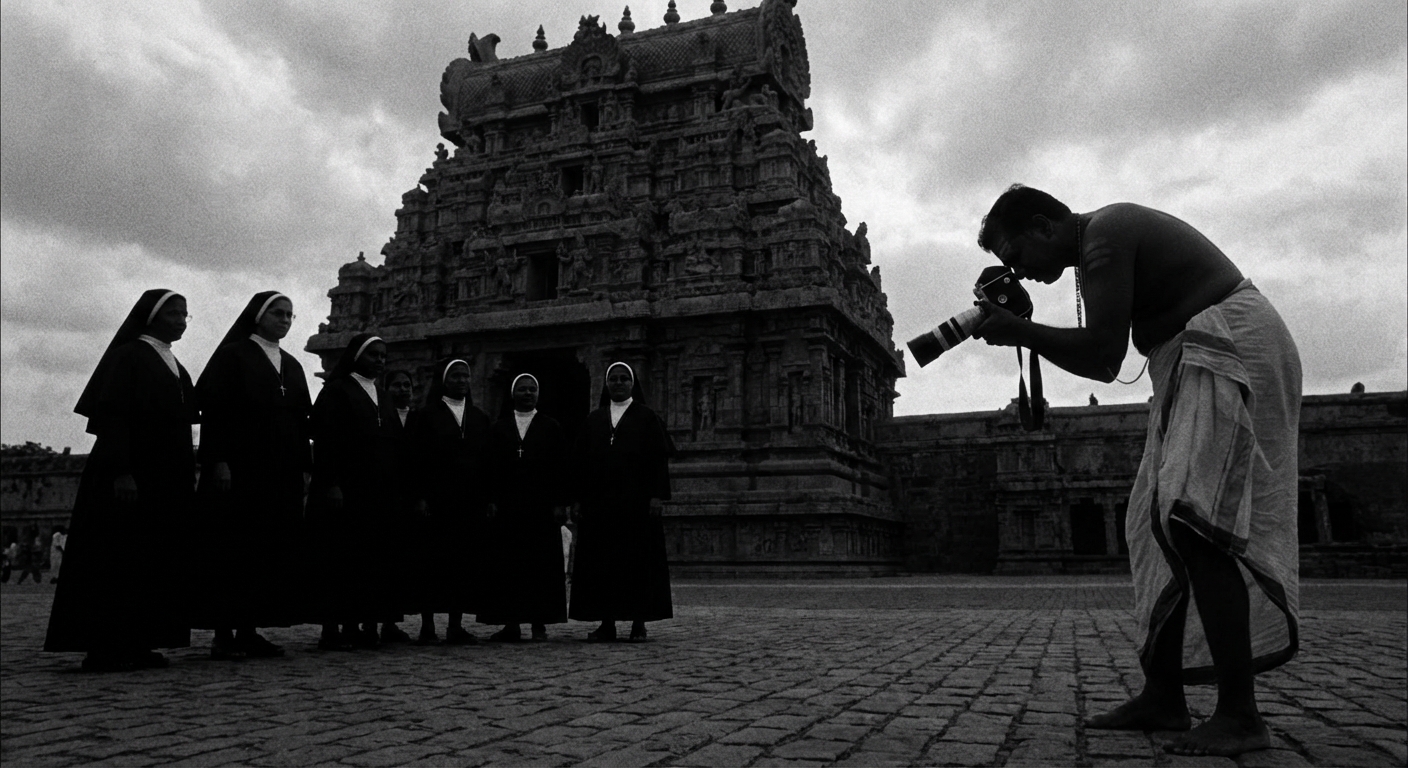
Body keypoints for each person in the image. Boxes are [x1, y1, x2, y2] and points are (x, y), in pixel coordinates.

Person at [970, 185, 1301, 757]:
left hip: (1227, 340)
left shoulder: (1107, 235)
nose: (1020, 272)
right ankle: (1164, 695)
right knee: (1152, 524)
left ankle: (1241, 714)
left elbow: (1103, 356)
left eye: (1017, 255)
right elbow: (1106, 355)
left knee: (1195, 518)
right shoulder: (1092, 250)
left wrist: (1019, 331)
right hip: (1184, 355)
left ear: (1046, 225)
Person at [45, 289, 198, 671]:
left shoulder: (176, 367)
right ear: (151, 317)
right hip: (129, 473)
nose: (181, 320)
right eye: (174, 313)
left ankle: (137, 638)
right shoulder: (128, 357)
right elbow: (112, 416)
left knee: (148, 559)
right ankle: (104, 644)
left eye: (185, 314)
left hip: (163, 478)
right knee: (115, 557)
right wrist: (121, 470)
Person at [192, 292, 313, 660]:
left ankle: (249, 628)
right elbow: (216, 412)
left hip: (279, 472)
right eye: (278, 314)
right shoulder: (233, 356)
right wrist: (219, 461)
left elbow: (301, 421)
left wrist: (306, 467)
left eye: (290, 316)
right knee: (232, 548)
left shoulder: (291, 365)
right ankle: (223, 632)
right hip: (240, 470)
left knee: (265, 550)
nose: (285, 321)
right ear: (258, 316)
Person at [568, 362, 675, 642]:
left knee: (638, 562)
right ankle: (607, 621)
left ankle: (638, 621)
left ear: (632, 383)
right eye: (613, 379)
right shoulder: (594, 419)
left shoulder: (647, 417)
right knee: (603, 564)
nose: (618, 383)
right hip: (600, 506)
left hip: (636, 505)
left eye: (623, 378)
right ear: (606, 385)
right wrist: (577, 500)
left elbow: (658, 460)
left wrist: (656, 496)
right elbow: (580, 464)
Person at [308, 334, 399, 651]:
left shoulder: (384, 397)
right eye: (373, 354)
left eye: (383, 355)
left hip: (376, 493)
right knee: (339, 559)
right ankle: (332, 627)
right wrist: (331, 482)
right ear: (356, 356)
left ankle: (359, 623)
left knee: (368, 560)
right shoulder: (336, 391)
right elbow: (325, 439)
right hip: (345, 490)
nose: (379, 360)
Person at [405, 358, 491, 645]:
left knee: (462, 564)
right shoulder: (426, 415)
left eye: (466, 375)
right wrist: (419, 496)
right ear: (443, 379)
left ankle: (456, 625)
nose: (462, 380)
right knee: (432, 563)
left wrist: (488, 498)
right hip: (436, 502)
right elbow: (415, 460)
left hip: (468, 503)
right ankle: (427, 626)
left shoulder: (479, 417)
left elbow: (487, 462)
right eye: (455, 376)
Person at [480, 374, 571, 641]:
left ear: (538, 395)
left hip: (541, 509)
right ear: (513, 394)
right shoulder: (499, 428)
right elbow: (489, 468)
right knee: (509, 566)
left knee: (540, 566)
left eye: (532, 389)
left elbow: (561, 468)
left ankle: (539, 622)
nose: (528, 393)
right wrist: (491, 499)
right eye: (522, 389)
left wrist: (560, 503)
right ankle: (511, 622)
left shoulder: (551, 427)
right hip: (508, 509)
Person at [378, 369, 417, 644]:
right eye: (396, 385)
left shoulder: (418, 419)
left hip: (409, 499)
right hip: (382, 496)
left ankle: (391, 622)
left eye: (407, 385)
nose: (402, 390)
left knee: (398, 564)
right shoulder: (380, 417)